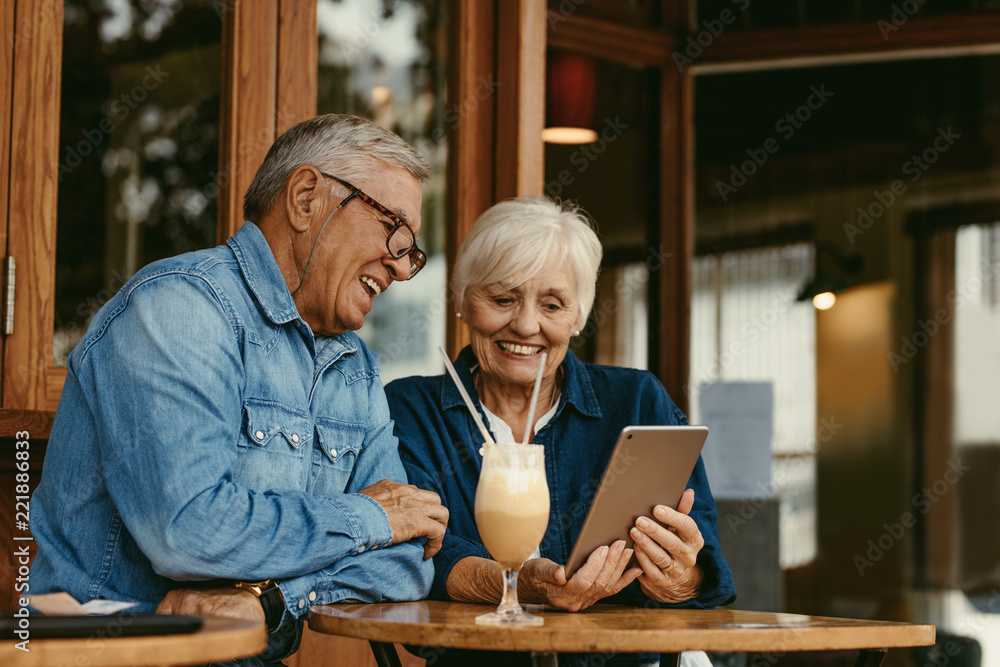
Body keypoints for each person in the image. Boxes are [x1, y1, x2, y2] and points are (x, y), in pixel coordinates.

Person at [29, 114, 449, 666]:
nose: (399, 264)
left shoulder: (356, 367)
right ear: (305, 198)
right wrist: (369, 519)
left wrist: (270, 602)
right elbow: (188, 530)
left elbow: (407, 559)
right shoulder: (179, 309)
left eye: (411, 250)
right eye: (393, 227)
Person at [385, 197, 736, 667]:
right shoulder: (411, 409)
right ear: (462, 300)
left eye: (552, 305)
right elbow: (418, 557)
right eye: (503, 299)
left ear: (578, 316)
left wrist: (676, 579)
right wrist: (523, 584)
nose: (527, 325)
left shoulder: (636, 401)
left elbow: (705, 570)